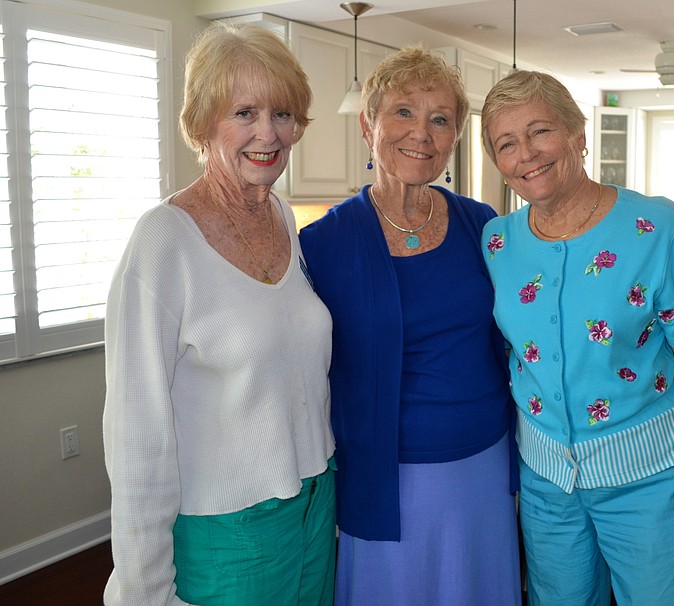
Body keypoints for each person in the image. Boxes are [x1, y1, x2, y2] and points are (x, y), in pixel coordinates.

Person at [479, 70, 674, 605]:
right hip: (548, 488)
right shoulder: (496, 242)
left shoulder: (658, 227)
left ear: (578, 133)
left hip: (656, 484)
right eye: (506, 144)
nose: (526, 153)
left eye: (540, 131)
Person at [102, 23, 336, 606]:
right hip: (227, 529)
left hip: (315, 504)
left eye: (282, 113)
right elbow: (136, 434)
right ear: (204, 122)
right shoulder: (162, 242)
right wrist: (144, 590)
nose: (268, 133)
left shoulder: (283, 217)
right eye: (245, 112)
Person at [299, 45, 521, 606]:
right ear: (367, 127)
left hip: (484, 462)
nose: (421, 132)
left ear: (453, 140)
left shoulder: (483, 225)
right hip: (386, 475)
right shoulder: (323, 243)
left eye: (440, 119)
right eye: (403, 112)